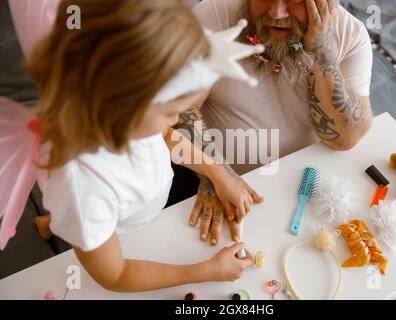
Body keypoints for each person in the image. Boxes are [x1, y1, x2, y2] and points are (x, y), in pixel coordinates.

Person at [0, 0, 263, 292]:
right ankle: (60, 228)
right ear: (127, 107)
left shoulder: (121, 118)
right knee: (80, 221)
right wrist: (207, 270)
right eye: (170, 112)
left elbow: (165, 136)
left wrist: (217, 173)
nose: (177, 119)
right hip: (122, 226)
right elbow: (117, 274)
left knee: (74, 217)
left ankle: (51, 223)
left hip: (125, 205)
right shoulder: (83, 188)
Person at [181, 0, 373, 245]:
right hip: (225, 185)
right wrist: (214, 174)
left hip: (308, 191)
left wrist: (322, 51)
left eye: (295, 1)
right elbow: (177, 110)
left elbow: (346, 137)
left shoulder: (351, 35)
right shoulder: (213, 16)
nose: (276, 13)